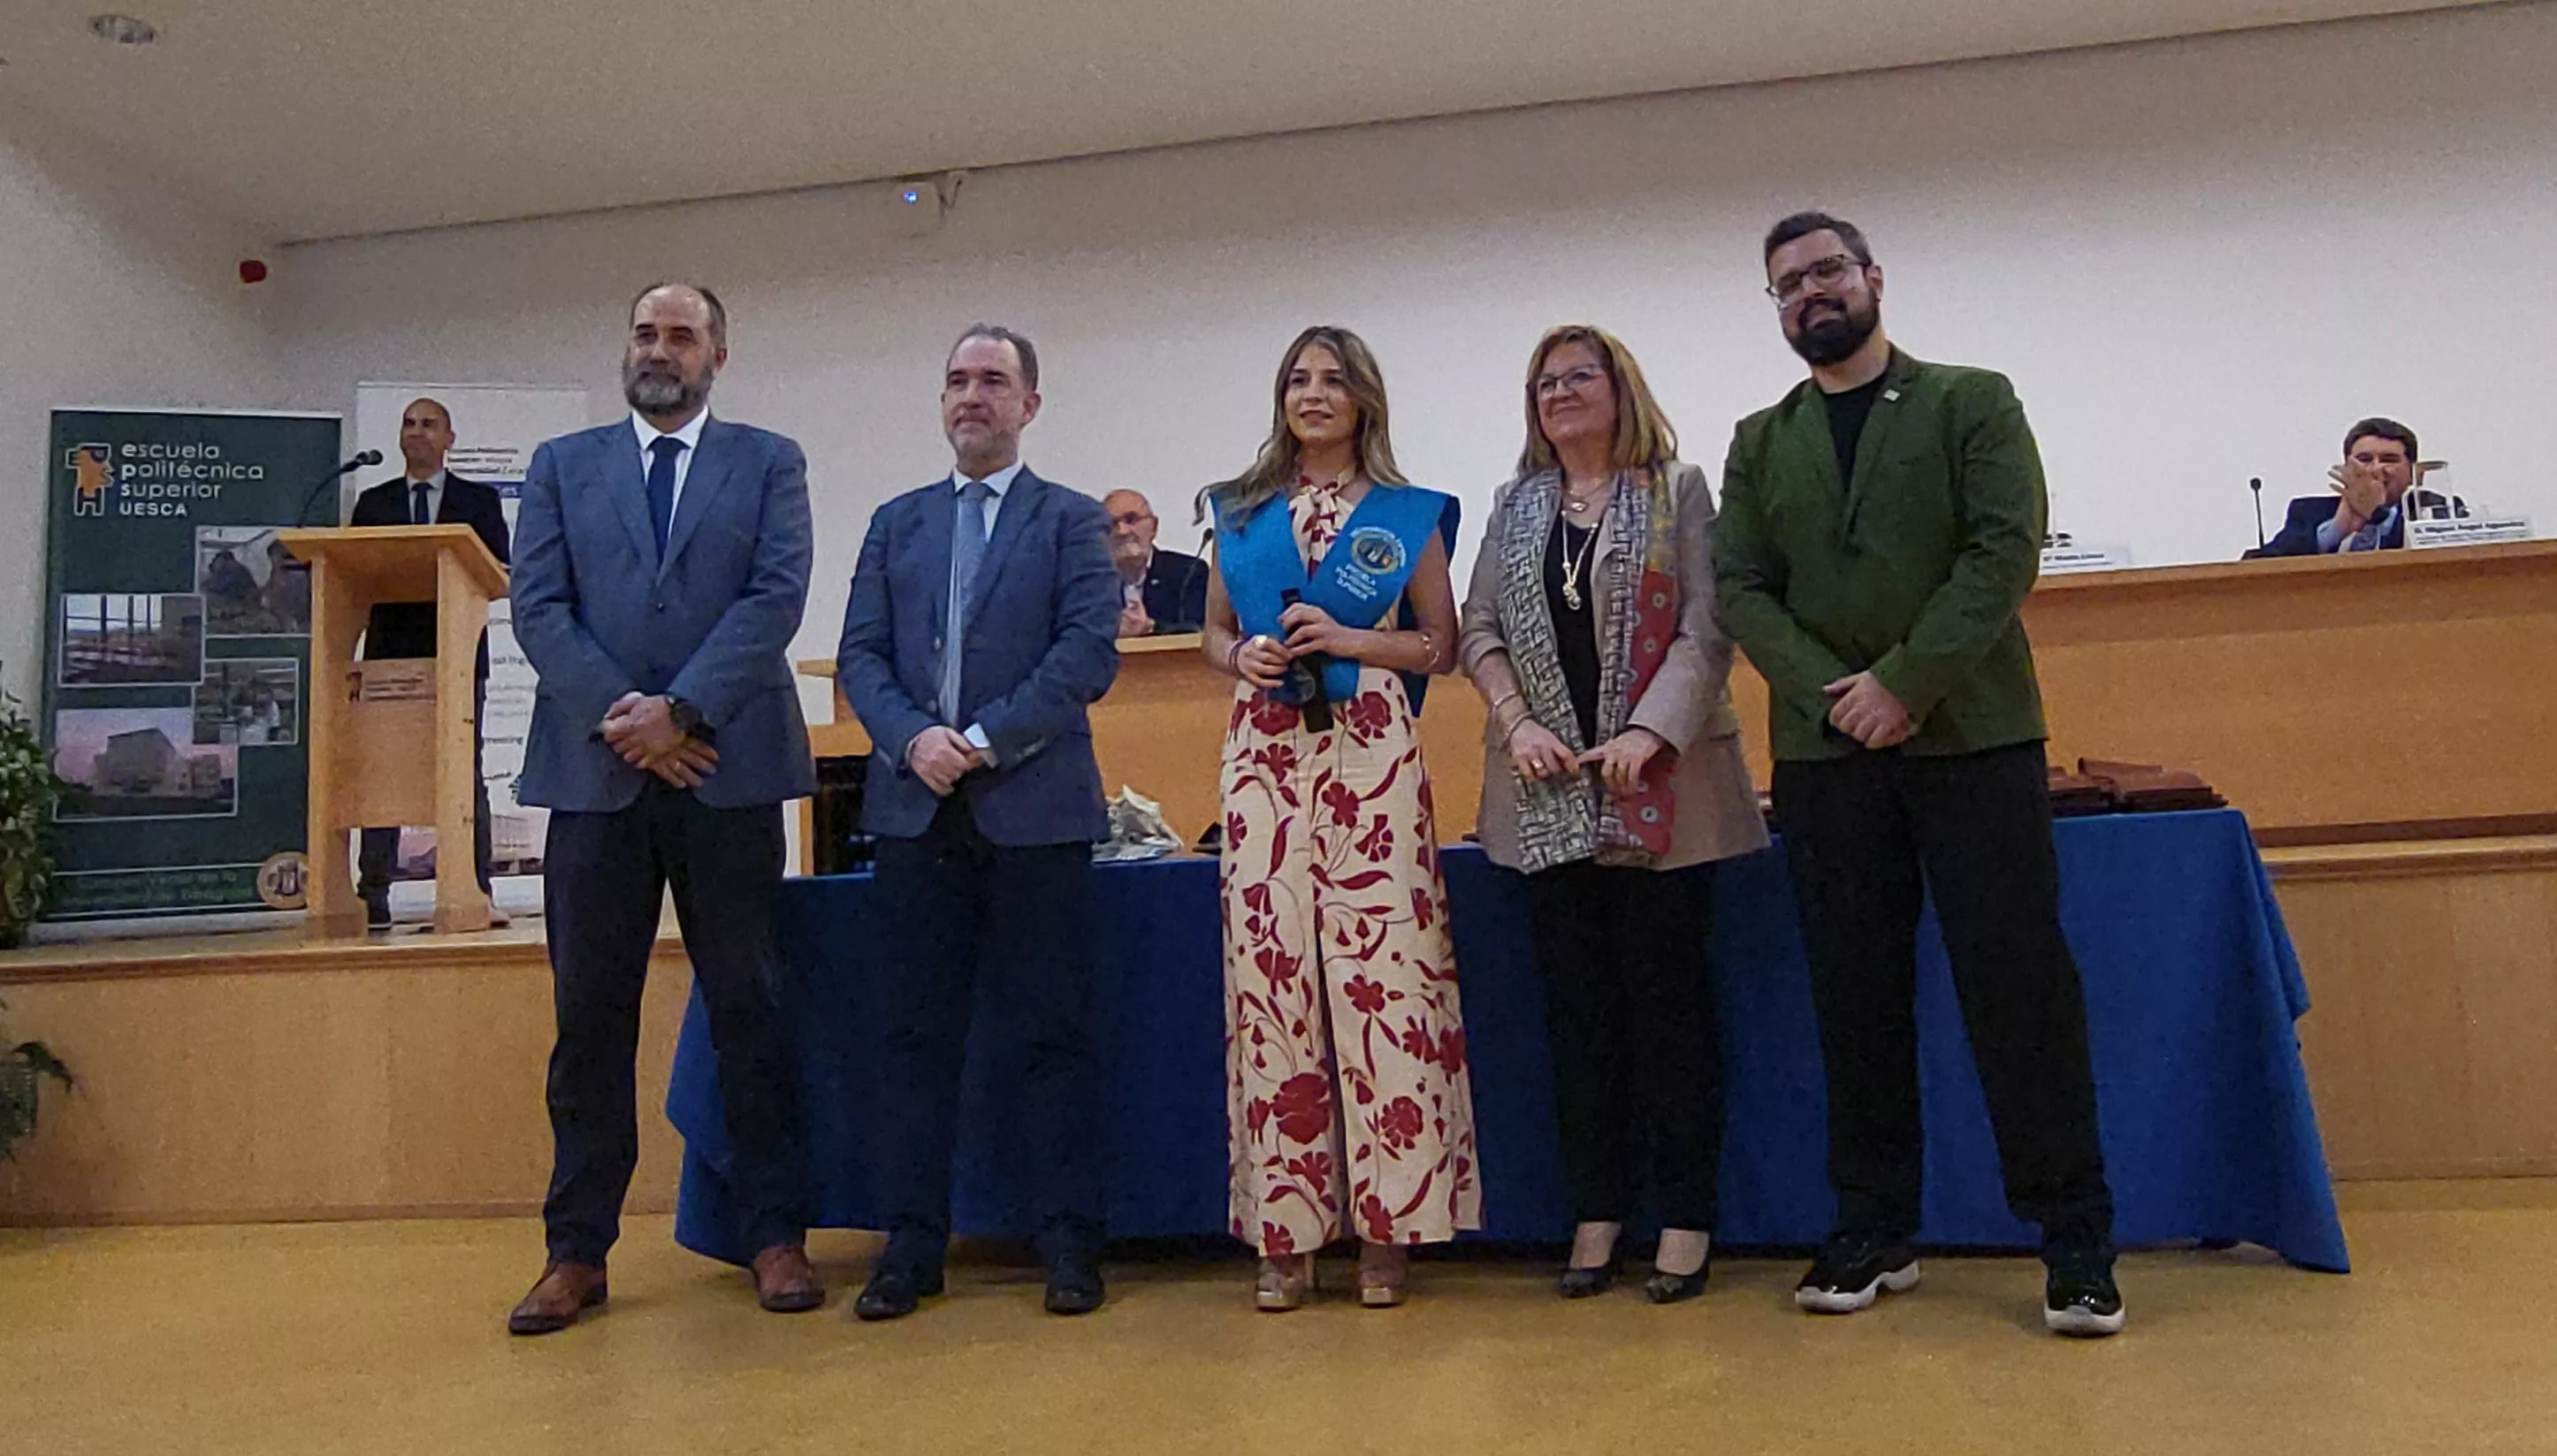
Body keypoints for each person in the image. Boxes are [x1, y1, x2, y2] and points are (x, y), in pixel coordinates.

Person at [1713, 212, 2125, 1338]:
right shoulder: (1761, 439)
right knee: (1854, 1001)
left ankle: (2075, 1240)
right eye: (1787, 286)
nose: (1810, 295)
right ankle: (1873, 1226)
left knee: (2021, 995)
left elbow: (2004, 550)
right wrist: (1836, 691)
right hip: (1827, 759)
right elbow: (1742, 588)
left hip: (1974, 743)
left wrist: (1905, 682)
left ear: (1874, 278)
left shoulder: (1969, 400)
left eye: (1827, 272)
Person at [504, 282, 821, 1333]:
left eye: (682, 335)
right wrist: (624, 718)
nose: (660, 349)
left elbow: (776, 595)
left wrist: (681, 712)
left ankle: (775, 1235)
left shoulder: (769, 460)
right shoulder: (560, 466)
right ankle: (576, 1251)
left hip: (723, 769)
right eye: (645, 332)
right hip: (594, 780)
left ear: (717, 356)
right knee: (588, 1019)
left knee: (751, 1009)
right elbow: (539, 606)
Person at [1458, 325, 1768, 1304]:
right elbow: (1478, 632)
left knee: (1672, 1015)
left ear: (1619, 388)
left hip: (1664, 796)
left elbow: (1709, 626)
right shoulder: (1514, 508)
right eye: (1543, 382)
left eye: (1578, 376)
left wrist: (1650, 730)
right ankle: (1597, 1210)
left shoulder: (1677, 492)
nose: (1559, 394)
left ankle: (1683, 1216)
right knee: (1578, 1019)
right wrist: (1514, 724)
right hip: (1545, 798)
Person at [836, 324, 1120, 1322]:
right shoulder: (894, 524)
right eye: (957, 380)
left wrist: (986, 739)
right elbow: (861, 658)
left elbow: (1087, 655)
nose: (972, 396)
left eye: (993, 381)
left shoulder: (1072, 521)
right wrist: (915, 740)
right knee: (914, 1039)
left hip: (1035, 814)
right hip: (916, 816)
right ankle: (911, 1249)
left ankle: (1068, 1246)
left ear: (1029, 405)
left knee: (1053, 1036)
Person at [1200, 325, 1477, 1311]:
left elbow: (1439, 646)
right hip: (1267, 752)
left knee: (1383, 978)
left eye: (1333, 379)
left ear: (1365, 396)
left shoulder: (1406, 515)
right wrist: (1243, 660)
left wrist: (1356, 634)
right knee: (1273, 981)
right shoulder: (1239, 512)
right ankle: (1287, 1229)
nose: (1314, 395)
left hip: (1370, 751)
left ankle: (1393, 1227)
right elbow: (1215, 631)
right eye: (1298, 380)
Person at [347, 397, 511, 928]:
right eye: (409, 423)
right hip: (390, 656)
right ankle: (372, 896)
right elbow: (353, 576)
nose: (417, 432)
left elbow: (500, 572)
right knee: (382, 769)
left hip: (458, 656)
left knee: (466, 771)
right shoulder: (373, 503)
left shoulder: (478, 502)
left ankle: (476, 891)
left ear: (449, 439)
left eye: (429, 424)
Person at [2256, 417, 2458, 556]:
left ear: (2413, 474)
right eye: (2364, 459)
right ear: (2347, 469)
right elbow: (2256, 568)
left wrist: (2377, 514)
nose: (2375, 469)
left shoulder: (2436, 509)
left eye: (2389, 460)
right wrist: (2340, 527)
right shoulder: (2309, 512)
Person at [1101, 489, 1210, 636]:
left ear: (1154, 526)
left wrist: (1152, 627)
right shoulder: (1091, 582)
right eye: (1112, 524)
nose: (1122, 531)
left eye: (1131, 519)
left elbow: (1197, 630)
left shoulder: (1188, 573)